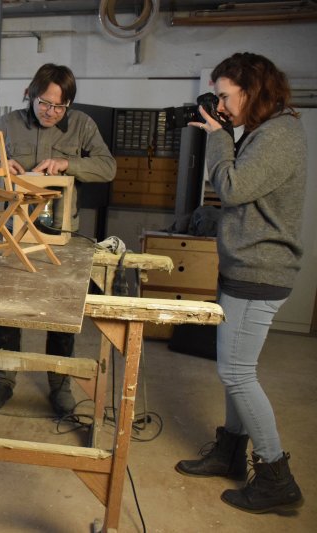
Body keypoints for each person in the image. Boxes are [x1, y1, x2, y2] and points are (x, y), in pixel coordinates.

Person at [175, 52, 305, 514]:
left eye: (226, 96)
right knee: (234, 368)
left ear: (252, 91)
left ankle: (275, 478)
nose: (222, 106)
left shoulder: (277, 135)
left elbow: (230, 187)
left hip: (259, 272)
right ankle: (230, 451)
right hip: (243, 267)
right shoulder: (262, 131)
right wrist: (225, 133)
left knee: (237, 373)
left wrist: (218, 135)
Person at [0, 63, 116, 414]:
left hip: (61, 233)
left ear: (68, 104)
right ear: (31, 95)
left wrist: (68, 164)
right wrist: (1, 163)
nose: (51, 112)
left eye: (59, 106)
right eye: (44, 103)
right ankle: (2, 380)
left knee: (61, 310)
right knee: (9, 307)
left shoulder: (82, 125)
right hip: (15, 232)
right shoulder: (8, 123)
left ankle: (60, 384)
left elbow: (108, 167)